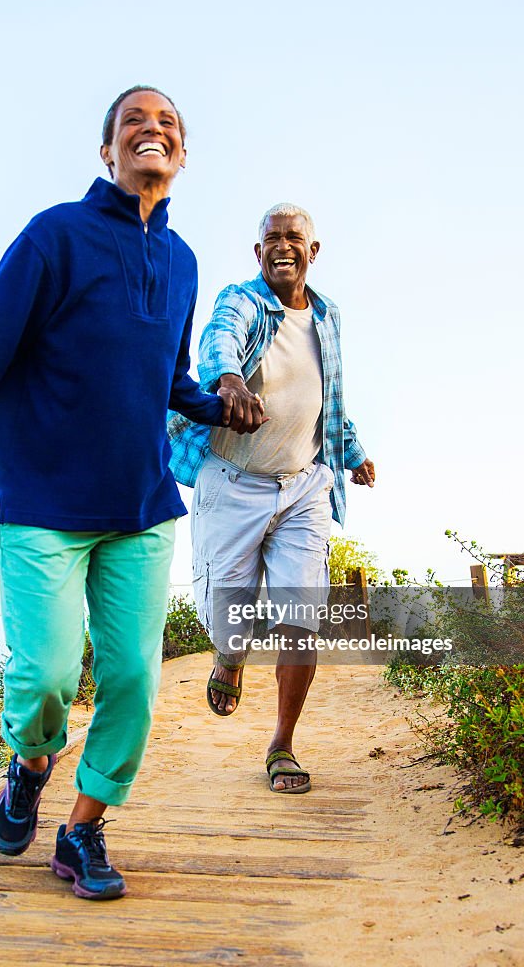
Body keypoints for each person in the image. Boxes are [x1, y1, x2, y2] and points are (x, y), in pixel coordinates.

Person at [0, 86, 262, 899]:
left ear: (182, 157)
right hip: (42, 505)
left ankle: (81, 830)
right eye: (134, 122)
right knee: (47, 676)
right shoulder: (54, 236)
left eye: (167, 125)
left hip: (140, 509)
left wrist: (217, 401)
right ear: (107, 152)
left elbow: (168, 378)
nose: (151, 131)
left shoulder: (184, 260)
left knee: (133, 682)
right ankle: (29, 762)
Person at [168, 203, 375, 794]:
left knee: (300, 620)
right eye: (271, 240)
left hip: (305, 485)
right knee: (228, 622)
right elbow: (219, 341)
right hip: (232, 484)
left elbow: (327, 395)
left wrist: (353, 451)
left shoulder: (328, 316)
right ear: (257, 253)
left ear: (313, 251)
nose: (283, 247)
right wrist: (227, 379)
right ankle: (229, 658)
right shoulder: (243, 300)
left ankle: (282, 744)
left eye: (294, 238)